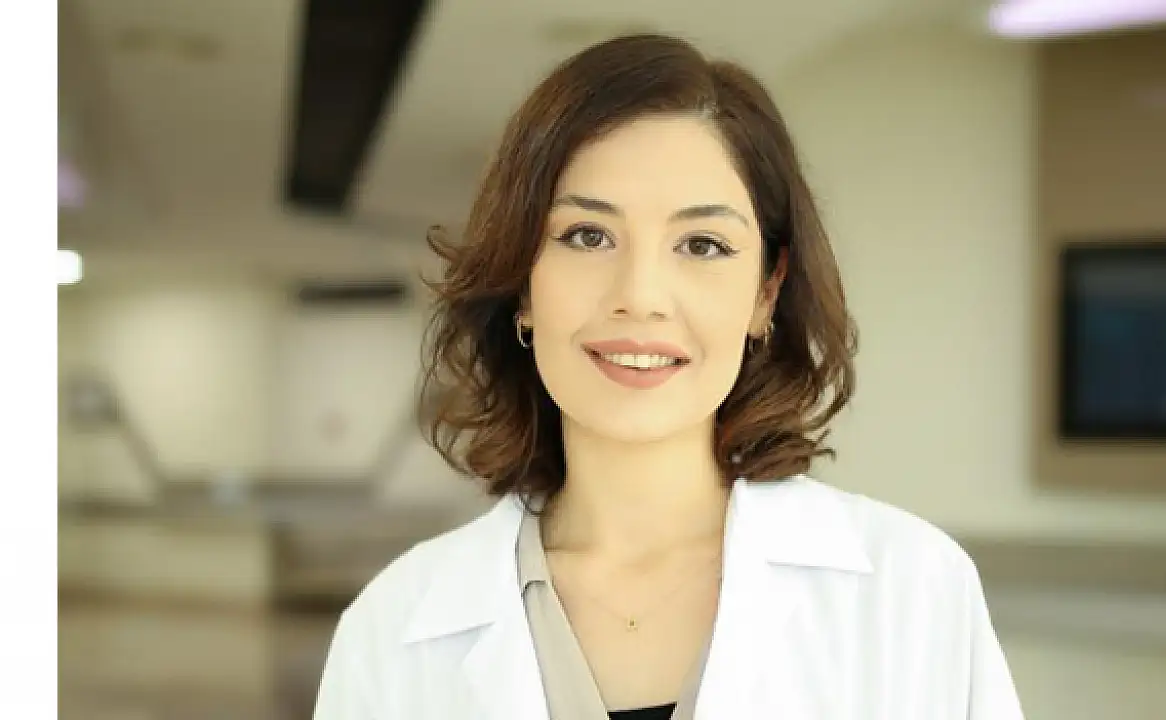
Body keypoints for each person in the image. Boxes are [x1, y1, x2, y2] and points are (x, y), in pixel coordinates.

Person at [313, 33, 1023, 720]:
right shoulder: (392, 630)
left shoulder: (914, 592)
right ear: (523, 284)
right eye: (587, 236)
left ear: (766, 292)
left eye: (702, 245)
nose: (641, 295)